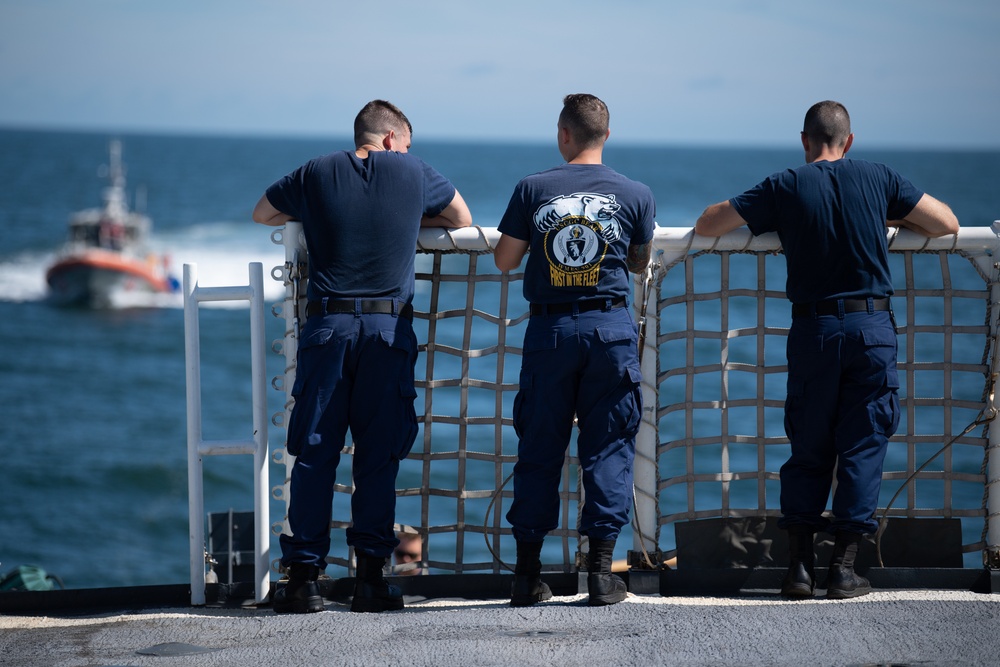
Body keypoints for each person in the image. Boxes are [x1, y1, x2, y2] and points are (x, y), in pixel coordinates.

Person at [695, 100, 959, 600]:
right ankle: (843, 568)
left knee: (808, 444)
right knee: (862, 445)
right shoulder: (879, 177)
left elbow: (709, 224)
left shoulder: (785, 184)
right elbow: (946, 222)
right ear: (850, 141)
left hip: (813, 331)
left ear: (804, 140)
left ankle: (796, 570)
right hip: (871, 328)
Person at [253, 100, 473, 613]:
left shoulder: (316, 171)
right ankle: (371, 580)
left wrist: (316, 210)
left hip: (327, 328)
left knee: (313, 454)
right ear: (393, 140)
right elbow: (461, 217)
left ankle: (303, 579)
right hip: (386, 330)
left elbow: (262, 212)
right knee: (378, 457)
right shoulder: (414, 171)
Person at [494, 94, 655, 607]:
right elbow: (638, 261)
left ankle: (526, 575)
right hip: (611, 329)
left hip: (551, 332)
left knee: (540, 447)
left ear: (564, 135)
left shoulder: (532, 188)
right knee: (608, 447)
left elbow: (503, 260)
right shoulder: (637, 193)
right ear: (605, 136)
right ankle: (604, 575)